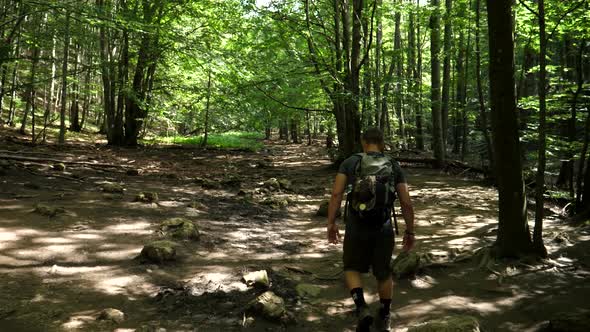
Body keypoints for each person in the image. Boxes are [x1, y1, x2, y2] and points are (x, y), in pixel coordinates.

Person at [327, 127, 415, 332]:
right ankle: (384, 315)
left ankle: (361, 307)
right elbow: (406, 202)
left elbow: (336, 195)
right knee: (383, 273)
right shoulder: (393, 165)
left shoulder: (350, 162)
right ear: (382, 142)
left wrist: (331, 223)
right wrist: (410, 231)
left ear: (363, 142)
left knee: (351, 267)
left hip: (356, 224)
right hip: (383, 226)